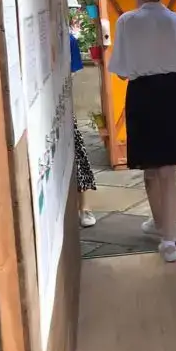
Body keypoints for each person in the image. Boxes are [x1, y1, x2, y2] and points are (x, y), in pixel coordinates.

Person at [108, 0, 176, 263]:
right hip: (174, 92)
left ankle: (161, 223)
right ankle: (169, 239)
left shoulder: (127, 21)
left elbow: (121, 70)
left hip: (144, 93)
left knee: (150, 166)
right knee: (168, 171)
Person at [69, 30, 97, 228]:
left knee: (77, 155)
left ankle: (84, 207)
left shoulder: (68, 40)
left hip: (61, 108)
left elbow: (70, 77)